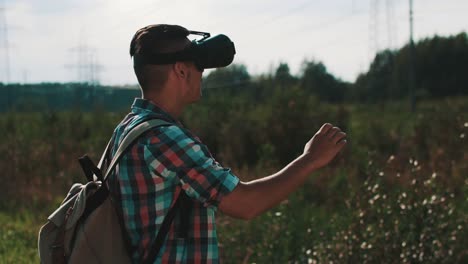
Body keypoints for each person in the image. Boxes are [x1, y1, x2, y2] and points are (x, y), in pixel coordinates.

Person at [107, 24, 347, 263]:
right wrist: (310, 159)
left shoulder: (127, 129)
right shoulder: (166, 138)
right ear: (181, 70)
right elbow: (245, 203)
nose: (202, 72)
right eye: (198, 63)